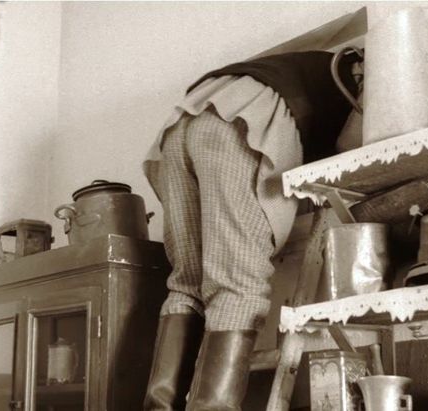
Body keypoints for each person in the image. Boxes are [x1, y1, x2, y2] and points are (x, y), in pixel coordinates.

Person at [141, 50, 359, 411]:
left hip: (182, 122)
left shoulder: (309, 67)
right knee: (238, 283)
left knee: (187, 283)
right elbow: (352, 148)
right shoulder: (364, 70)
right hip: (242, 118)